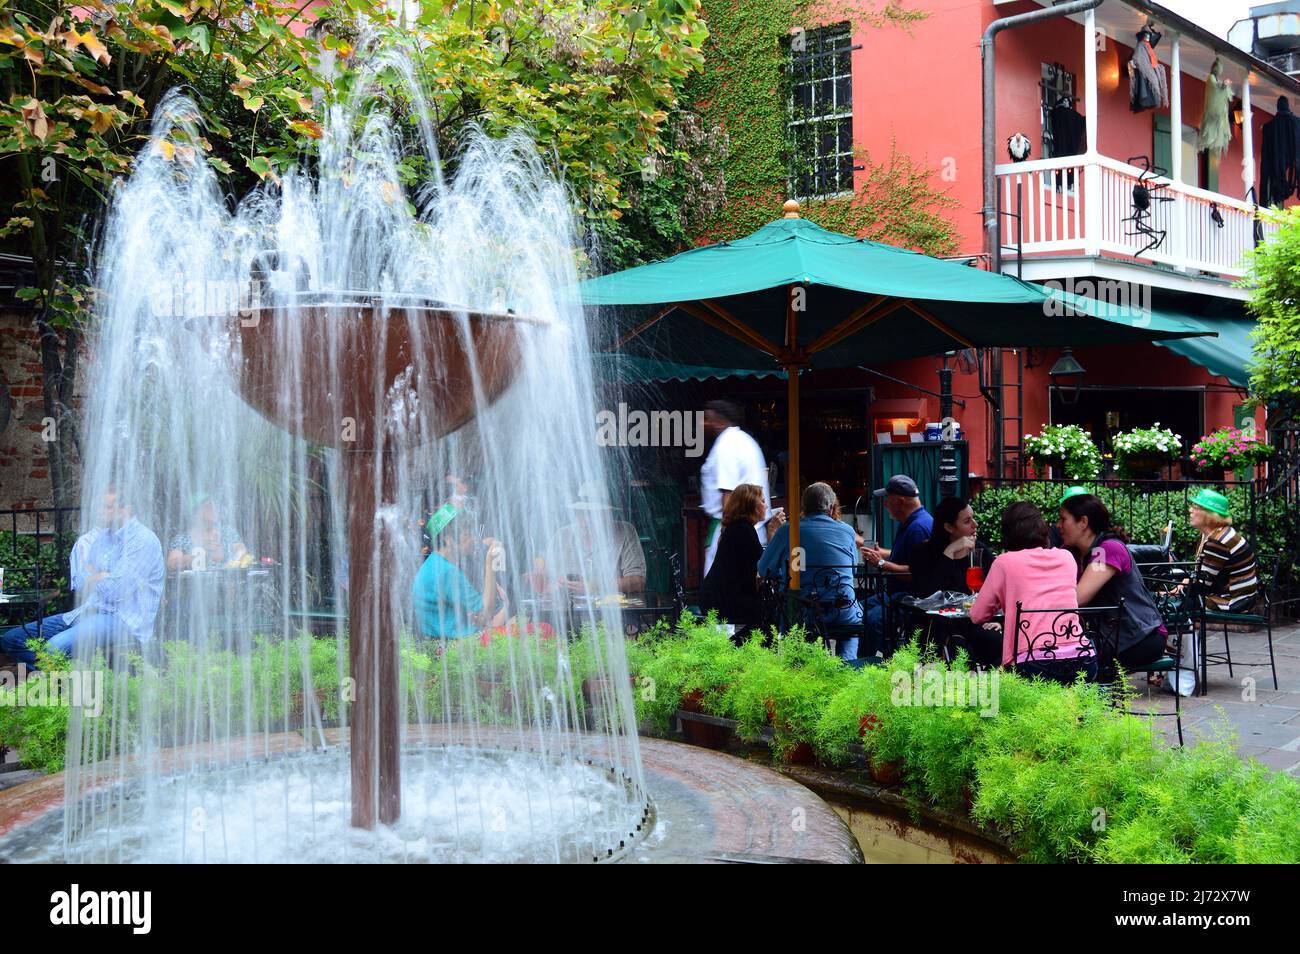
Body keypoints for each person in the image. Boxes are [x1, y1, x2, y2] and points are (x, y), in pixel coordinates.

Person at [1, 486, 165, 668]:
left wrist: (93, 576)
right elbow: (79, 583)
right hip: (87, 611)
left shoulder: (143, 540)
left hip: (122, 620)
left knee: (54, 648)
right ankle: (63, 678)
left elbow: (115, 592)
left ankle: (60, 684)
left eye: (106, 507)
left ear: (126, 509)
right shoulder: (102, 539)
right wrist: (100, 576)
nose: (99, 511)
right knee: (12, 640)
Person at [970, 502, 1094, 682]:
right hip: (1082, 658)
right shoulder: (1067, 558)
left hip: (1033, 663)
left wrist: (1001, 599)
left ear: (1008, 532)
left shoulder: (1004, 563)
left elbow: (977, 615)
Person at [1058, 493, 1166, 670]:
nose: (1058, 526)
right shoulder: (1075, 551)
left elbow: (1079, 598)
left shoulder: (1107, 549)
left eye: (1063, 519)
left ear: (1083, 522)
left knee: (1069, 658)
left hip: (1141, 638)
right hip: (1111, 637)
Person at [759, 482, 861, 660]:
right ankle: (849, 667)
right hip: (842, 609)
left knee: (793, 618)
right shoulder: (847, 532)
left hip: (803, 612)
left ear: (803, 507)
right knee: (850, 631)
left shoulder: (788, 531)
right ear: (830, 507)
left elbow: (763, 569)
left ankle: (804, 673)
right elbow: (852, 569)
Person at [699, 483, 785, 638]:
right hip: (722, 600)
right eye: (763, 501)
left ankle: (738, 649)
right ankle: (735, 650)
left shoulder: (739, 528)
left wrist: (771, 531)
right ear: (751, 505)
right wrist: (773, 530)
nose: (766, 506)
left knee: (768, 611)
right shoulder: (743, 530)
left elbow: (761, 563)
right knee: (770, 613)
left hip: (721, 596)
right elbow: (764, 567)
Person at [859, 475, 933, 656]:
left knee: (872, 619)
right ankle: (863, 661)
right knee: (857, 609)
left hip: (910, 600)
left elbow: (916, 573)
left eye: (887, 499)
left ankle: (885, 663)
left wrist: (881, 563)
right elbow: (903, 557)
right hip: (894, 594)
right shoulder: (911, 523)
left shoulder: (919, 528)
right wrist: (876, 551)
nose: (885, 505)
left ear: (900, 501)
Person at [700, 400, 770, 576]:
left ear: (720, 422)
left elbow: (728, 495)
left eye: (707, 419)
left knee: (718, 594)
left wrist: (725, 537)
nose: (703, 424)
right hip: (749, 530)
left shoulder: (726, 445)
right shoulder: (745, 441)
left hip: (734, 531)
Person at [412, 509, 506, 640]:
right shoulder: (447, 572)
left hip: (438, 641)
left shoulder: (434, 563)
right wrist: (490, 563)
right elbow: (487, 613)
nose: (473, 539)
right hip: (452, 649)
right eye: (467, 535)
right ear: (449, 540)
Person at [550, 482, 647, 596]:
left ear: (607, 513)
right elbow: (548, 581)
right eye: (581, 513)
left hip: (614, 608)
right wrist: (543, 581)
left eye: (593, 514)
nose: (586, 520)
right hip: (570, 609)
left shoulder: (625, 531)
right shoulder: (562, 535)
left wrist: (595, 587)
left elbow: (638, 582)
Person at [1186, 488, 1258, 613]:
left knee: (1173, 604)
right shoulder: (1217, 533)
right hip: (1242, 598)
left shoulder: (1218, 541)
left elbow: (1202, 584)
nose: (1190, 510)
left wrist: (1175, 589)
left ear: (1208, 514)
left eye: (1195, 507)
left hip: (1233, 602)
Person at [908, 496, 994, 597]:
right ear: (949, 527)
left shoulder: (980, 549)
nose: (975, 524)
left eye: (973, 518)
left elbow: (997, 584)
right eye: (967, 521)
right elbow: (928, 594)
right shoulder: (923, 553)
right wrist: (949, 552)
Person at [166, 492, 248, 571]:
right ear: (195, 513)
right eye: (209, 506)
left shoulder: (226, 532)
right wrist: (201, 553)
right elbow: (172, 564)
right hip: (194, 584)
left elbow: (241, 550)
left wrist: (233, 564)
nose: (215, 509)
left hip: (230, 584)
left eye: (215, 506)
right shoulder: (182, 539)